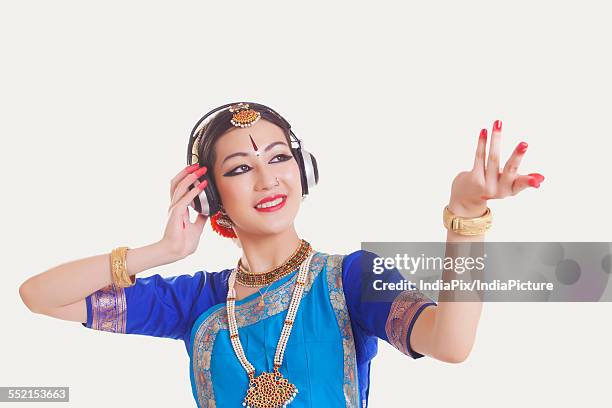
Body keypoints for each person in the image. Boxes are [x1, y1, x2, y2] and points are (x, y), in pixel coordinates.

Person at [19, 102, 545, 407]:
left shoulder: (353, 280)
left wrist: (465, 218)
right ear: (209, 197)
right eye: (240, 168)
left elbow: (452, 344)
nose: (268, 178)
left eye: (278, 157)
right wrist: (161, 251)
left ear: (304, 171)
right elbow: (38, 295)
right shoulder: (194, 303)